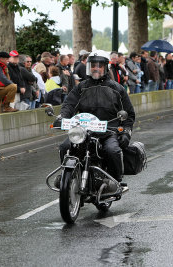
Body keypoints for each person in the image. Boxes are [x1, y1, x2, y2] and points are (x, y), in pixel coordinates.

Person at [56, 50, 135, 189]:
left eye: (99, 65)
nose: (96, 68)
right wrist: (63, 116)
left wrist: (126, 131)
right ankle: (66, 175)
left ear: (105, 67)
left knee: (112, 150)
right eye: (93, 65)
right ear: (89, 67)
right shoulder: (81, 87)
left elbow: (128, 113)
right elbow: (69, 104)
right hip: (83, 131)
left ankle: (115, 181)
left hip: (109, 131)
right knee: (65, 146)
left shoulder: (117, 89)